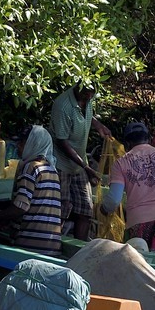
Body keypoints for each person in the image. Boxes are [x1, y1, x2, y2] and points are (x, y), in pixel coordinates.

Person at [101, 121, 155, 254]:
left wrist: (104, 208)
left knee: (138, 267)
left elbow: (114, 199)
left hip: (138, 223)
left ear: (127, 144)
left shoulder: (121, 163)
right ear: (149, 139)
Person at [50, 83, 113, 241]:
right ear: (78, 87)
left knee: (85, 208)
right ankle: (53, 243)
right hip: (61, 163)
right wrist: (86, 167)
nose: (89, 96)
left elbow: (84, 114)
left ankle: (79, 248)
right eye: (86, 93)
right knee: (61, 208)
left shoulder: (87, 98)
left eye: (92, 93)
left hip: (79, 163)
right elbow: (62, 142)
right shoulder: (63, 105)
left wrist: (98, 125)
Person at [0, 126, 65, 255]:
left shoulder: (31, 168)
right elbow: (35, 208)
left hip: (30, 247)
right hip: (52, 248)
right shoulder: (52, 170)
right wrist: (7, 220)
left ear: (33, 144)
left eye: (22, 143)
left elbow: (21, 207)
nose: (18, 146)